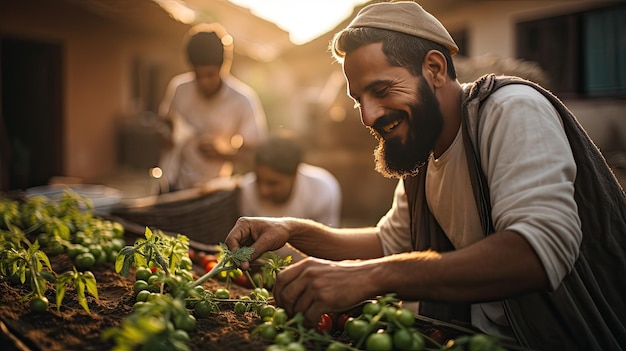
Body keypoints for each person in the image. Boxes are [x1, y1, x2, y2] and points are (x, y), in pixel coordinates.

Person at [224, 2, 626, 350]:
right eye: (359, 100)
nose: (368, 115)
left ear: (433, 68)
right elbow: (388, 243)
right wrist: (294, 230)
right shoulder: (422, 151)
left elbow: (537, 251)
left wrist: (368, 278)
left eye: (381, 90)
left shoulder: (509, 110)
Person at [158, 23, 268, 191]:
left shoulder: (243, 100)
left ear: (224, 66)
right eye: (198, 75)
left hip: (215, 189)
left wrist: (221, 153)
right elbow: (167, 124)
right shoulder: (179, 88)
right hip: (174, 182)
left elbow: (254, 152)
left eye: (210, 75)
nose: (204, 82)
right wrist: (166, 136)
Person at [238, 132, 342, 261]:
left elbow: (326, 244)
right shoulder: (247, 189)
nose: (263, 190)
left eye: (272, 183)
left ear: (294, 175)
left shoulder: (322, 189)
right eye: (259, 180)